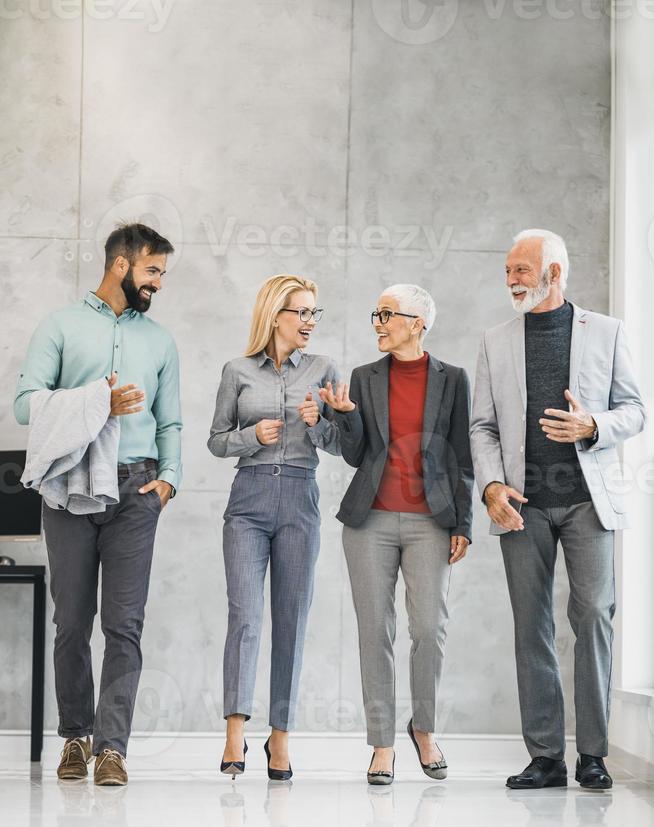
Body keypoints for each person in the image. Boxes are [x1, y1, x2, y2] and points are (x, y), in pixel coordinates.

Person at [470, 228, 646, 791]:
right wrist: (492, 486)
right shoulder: (495, 340)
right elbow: (483, 426)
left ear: (555, 272)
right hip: (523, 504)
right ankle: (545, 757)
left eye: (522, 270)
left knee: (593, 615)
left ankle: (593, 753)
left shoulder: (608, 332)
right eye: (508, 270)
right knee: (532, 625)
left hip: (587, 502)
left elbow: (635, 411)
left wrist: (594, 425)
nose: (512, 280)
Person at [14, 223, 182, 786]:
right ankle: (74, 738)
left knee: (124, 626)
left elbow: (171, 420)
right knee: (71, 623)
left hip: (137, 490)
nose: (158, 282)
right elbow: (23, 406)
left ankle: (112, 748)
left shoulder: (160, 341)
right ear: (121, 266)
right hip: (68, 491)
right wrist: (97, 402)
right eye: (153, 270)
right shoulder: (60, 326)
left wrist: (169, 480)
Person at [321, 284, 473, 785]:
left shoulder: (453, 379)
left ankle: (423, 729)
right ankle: (382, 743)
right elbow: (355, 453)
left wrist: (463, 524)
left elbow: (462, 457)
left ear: (417, 323)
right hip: (370, 521)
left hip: (432, 520)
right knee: (375, 632)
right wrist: (345, 417)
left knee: (429, 630)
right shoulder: (364, 378)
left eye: (388, 314)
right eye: (376, 314)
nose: (378, 322)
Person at [208, 274, 340, 780]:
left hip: (301, 501)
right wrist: (249, 436)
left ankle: (280, 738)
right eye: (301, 312)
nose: (310, 322)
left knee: (292, 622)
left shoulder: (325, 370)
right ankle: (235, 735)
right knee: (244, 616)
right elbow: (217, 441)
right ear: (274, 316)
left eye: (314, 313)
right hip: (249, 500)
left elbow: (341, 444)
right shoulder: (237, 370)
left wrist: (318, 423)